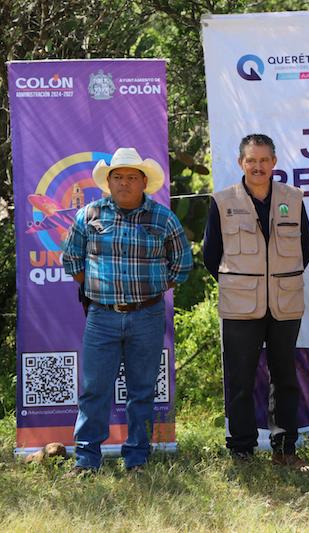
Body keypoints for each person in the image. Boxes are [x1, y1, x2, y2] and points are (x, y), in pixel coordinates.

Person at [62, 147, 192, 475]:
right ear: (108, 182)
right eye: (118, 177)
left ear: (144, 182)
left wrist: (151, 289)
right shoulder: (89, 215)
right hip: (102, 316)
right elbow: (72, 259)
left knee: (142, 390)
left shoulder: (163, 218)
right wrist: (99, 290)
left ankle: (137, 457)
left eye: (131, 177)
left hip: (147, 316)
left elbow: (182, 264)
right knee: (94, 389)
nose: (124, 183)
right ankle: (86, 459)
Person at [203, 134, 309, 469]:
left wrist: (277, 278)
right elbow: (211, 256)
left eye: (264, 160)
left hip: (284, 303)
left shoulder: (293, 199)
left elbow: (305, 249)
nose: (258, 167)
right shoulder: (223, 202)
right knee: (240, 380)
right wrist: (243, 284)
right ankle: (242, 451)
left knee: (285, 378)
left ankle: (285, 450)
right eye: (251, 160)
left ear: (274, 162)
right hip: (240, 306)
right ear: (241, 163)